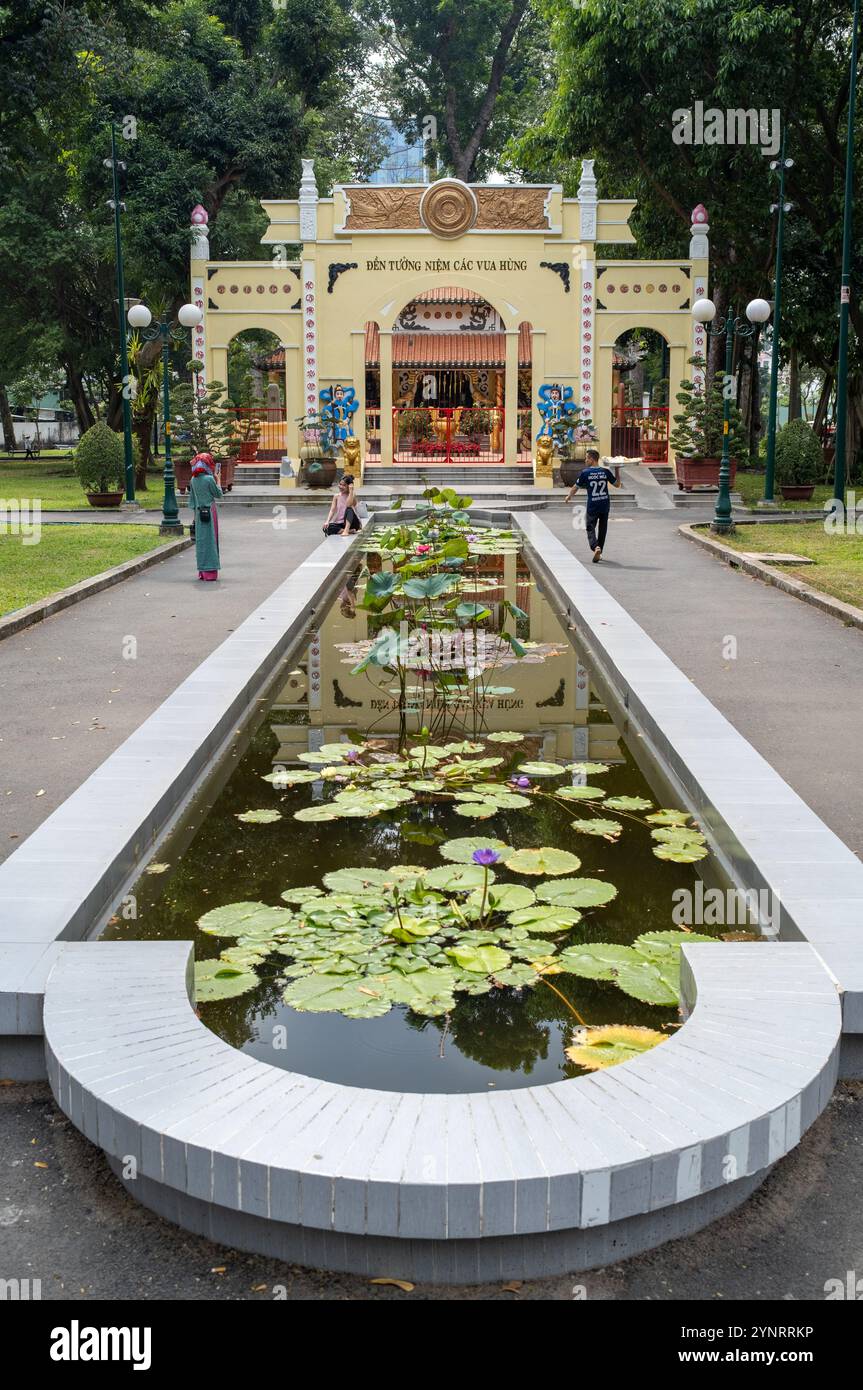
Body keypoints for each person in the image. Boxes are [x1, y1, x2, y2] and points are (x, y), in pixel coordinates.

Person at [566, 449, 621, 562]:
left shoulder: (585, 473)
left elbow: (576, 487)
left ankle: (595, 547)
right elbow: (617, 484)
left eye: (587, 458)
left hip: (593, 505)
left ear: (591, 459)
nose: (585, 460)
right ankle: (599, 550)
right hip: (605, 504)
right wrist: (617, 470)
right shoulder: (605, 472)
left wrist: (569, 496)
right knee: (603, 529)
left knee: (590, 527)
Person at [188, 452, 223, 581]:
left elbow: (192, 501)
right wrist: (218, 479)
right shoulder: (209, 479)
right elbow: (218, 494)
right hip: (210, 512)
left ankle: (202, 571)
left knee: (201, 542)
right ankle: (211, 571)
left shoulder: (193, 480)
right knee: (211, 540)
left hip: (198, 513)